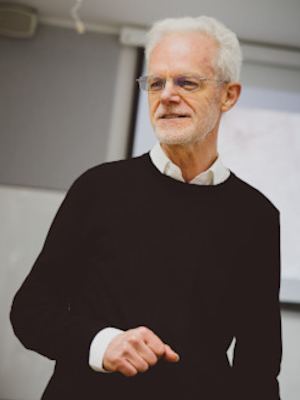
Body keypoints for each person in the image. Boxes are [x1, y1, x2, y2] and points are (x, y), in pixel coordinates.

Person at [10, 15, 282, 400]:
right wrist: (103, 344)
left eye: (187, 82)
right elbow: (31, 311)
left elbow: (259, 363)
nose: (167, 95)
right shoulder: (97, 187)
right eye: (156, 82)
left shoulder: (257, 217)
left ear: (228, 95)